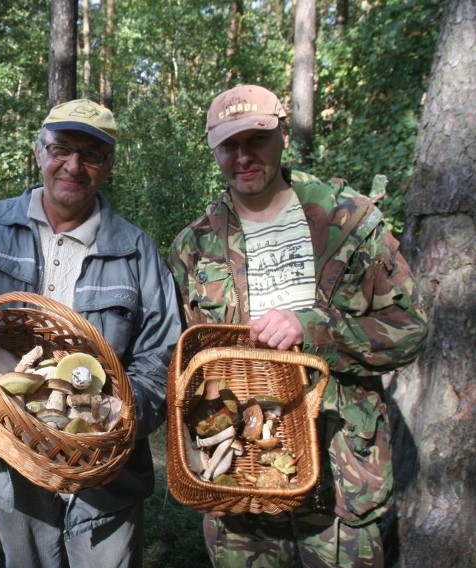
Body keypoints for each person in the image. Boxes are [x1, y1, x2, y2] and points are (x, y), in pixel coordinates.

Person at [168, 85, 429, 567]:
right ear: (213, 148)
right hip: (241, 488)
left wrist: (317, 330)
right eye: (230, 144)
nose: (243, 156)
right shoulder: (194, 247)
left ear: (283, 135)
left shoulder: (348, 220)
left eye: (257, 139)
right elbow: (188, 365)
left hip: (341, 482)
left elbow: (410, 330)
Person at [0, 98, 183, 568]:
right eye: (61, 148)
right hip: (13, 463)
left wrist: (115, 422)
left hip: (108, 478)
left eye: (92, 154)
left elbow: (163, 356)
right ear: (39, 151)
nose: (74, 165)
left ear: (109, 166)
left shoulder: (137, 251)